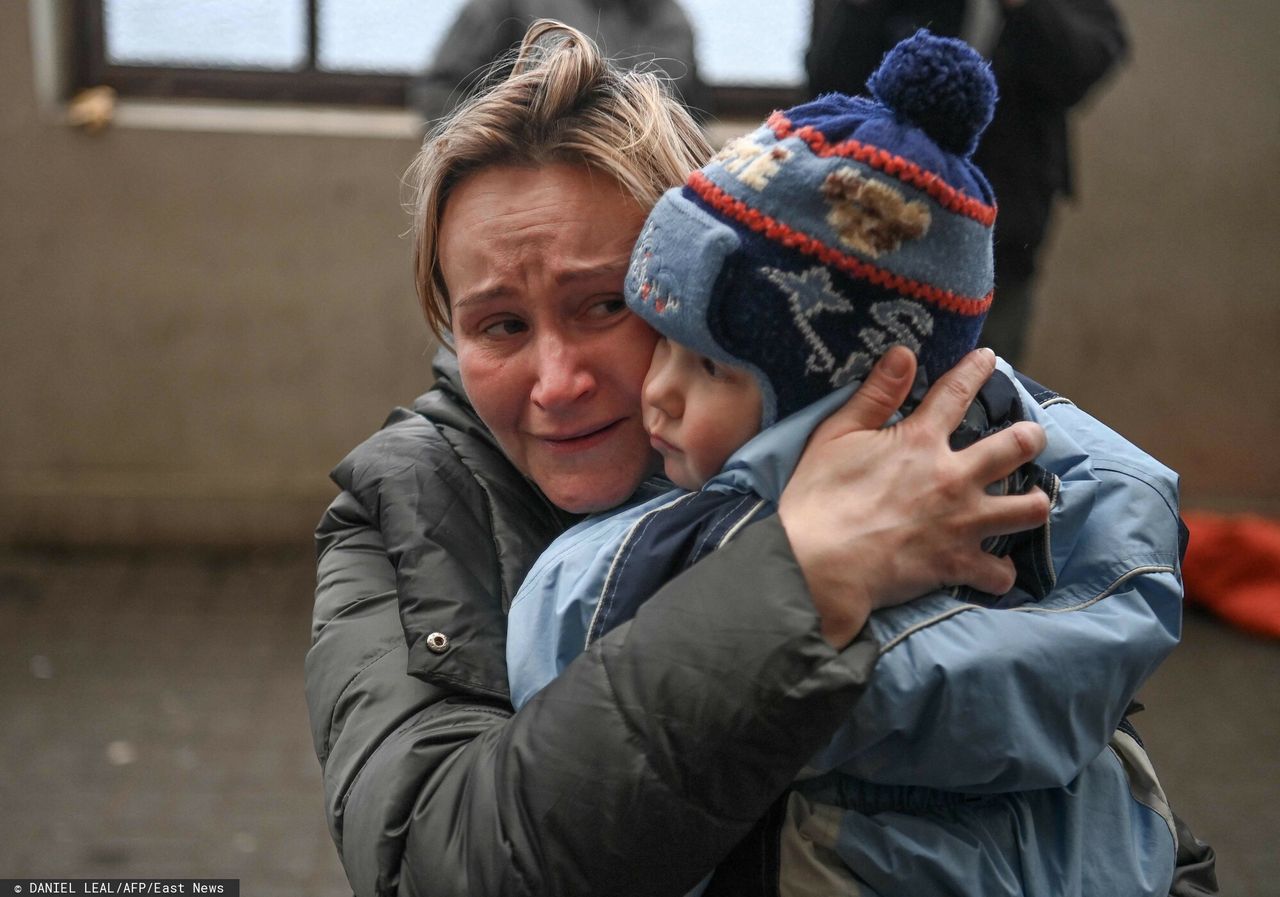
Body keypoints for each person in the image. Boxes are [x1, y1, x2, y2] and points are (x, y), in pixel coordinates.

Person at [304, 19, 1210, 897]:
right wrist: (797, 581)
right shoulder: (404, 511)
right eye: (501, 325)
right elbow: (444, 857)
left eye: (606, 306)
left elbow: (1111, 802)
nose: (556, 381)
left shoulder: (938, 450)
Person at [805, 0, 1128, 366]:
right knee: (852, 369)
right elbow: (827, 83)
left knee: (982, 383)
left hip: (1004, 227)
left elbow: (1084, 66)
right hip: (871, 218)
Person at [411, 0, 710, 122]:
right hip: (531, 192)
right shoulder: (512, 3)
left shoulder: (674, 21)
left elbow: (696, 117)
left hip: (640, 198)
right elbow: (441, 93)